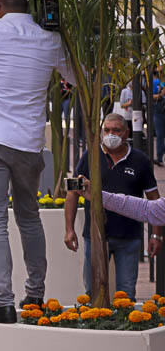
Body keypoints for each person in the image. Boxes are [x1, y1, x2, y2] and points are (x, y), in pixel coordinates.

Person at [0, 0, 77, 322]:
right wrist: (60, 34)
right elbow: (75, 73)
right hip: (28, 143)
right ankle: (36, 295)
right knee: (29, 217)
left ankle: (4, 301)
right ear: (30, 6)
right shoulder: (49, 38)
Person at [65, 114, 161, 300]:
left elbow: (154, 200)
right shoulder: (90, 156)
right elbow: (72, 193)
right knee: (92, 292)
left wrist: (156, 235)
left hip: (129, 237)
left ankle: (125, 328)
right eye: (107, 130)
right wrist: (69, 229)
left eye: (116, 130)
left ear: (126, 133)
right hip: (95, 236)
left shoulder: (140, 160)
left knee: (126, 295)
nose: (111, 134)